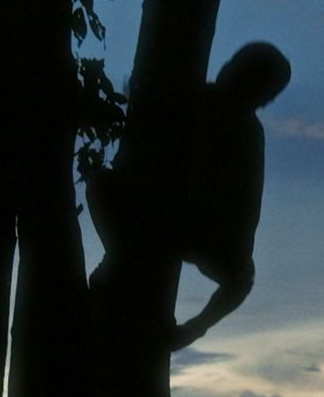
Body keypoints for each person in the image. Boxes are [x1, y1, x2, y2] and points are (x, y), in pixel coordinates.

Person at [87, 41, 291, 350]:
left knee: (101, 185)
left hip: (193, 229)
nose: (227, 69)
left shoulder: (222, 115)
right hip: (195, 232)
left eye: (238, 67)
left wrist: (194, 328)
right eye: (233, 62)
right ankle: (119, 262)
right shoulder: (223, 113)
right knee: (102, 185)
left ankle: (118, 262)